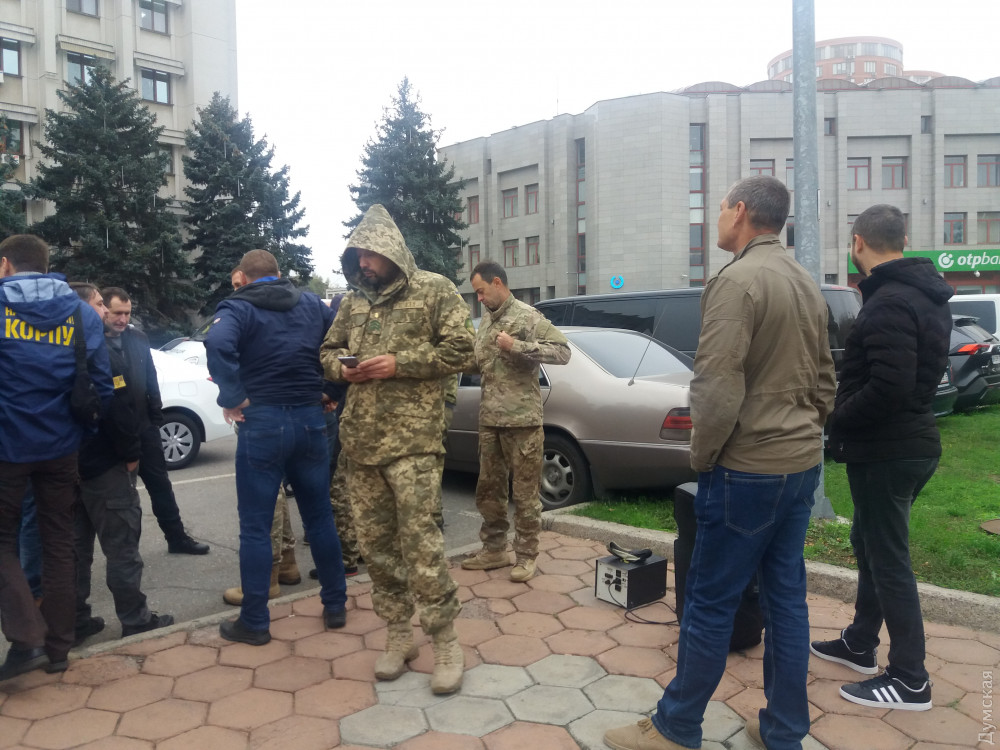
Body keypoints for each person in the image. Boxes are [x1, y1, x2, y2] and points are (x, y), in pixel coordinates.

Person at [604, 176, 836, 750]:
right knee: (786, 600)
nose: (718, 217)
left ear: (741, 211)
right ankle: (785, 729)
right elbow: (826, 377)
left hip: (747, 469)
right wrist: (806, 433)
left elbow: (715, 386)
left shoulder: (737, 281)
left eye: (722, 207)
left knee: (709, 601)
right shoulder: (804, 280)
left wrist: (703, 457)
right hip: (799, 465)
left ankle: (676, 726)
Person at [320, 204, 475, 695]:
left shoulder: (434, 290)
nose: (363, 263)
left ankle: (445, 642)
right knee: (377, 548)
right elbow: (327, 351)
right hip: (361, 443)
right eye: (357, 256)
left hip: (413, 444)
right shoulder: (352, 302)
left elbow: (463, 350)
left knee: (421, 545)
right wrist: (342, 369)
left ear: (392, 252)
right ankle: (398, 635)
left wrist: (399, 363)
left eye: (370, 254)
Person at [811, 204, 951, 712]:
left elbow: (890, 386)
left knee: (889, 559)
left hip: (889, 450)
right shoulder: (923, 295)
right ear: (903, 239)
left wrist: (837, 417)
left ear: (857, 243)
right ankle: (860, 642)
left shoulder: (890, 300)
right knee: (868, 543)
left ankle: (910, 679)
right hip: (907, 444)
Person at [205, 249, 348, 645]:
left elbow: (216, 342)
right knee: (319, 516)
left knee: (255, 526)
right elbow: (343, 343)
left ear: (244, 276)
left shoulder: (237, 307)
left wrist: (232, 397)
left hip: (263, 423)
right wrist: (331, 390)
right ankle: (335, 605)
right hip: (310, 418)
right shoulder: (311, 304)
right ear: (279, 273)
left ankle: (254, 622)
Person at [0, 234, 114, 680]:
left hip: (8, 448)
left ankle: (27, 637)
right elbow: (100, 385)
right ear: (46, 267)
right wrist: (79, 434)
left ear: (5, 265)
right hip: (62, 447)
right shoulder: (80, 312)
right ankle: (59, 647)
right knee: (59, 543)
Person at [70, 283, 174, 643]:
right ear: (84, 309)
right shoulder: (99, 352)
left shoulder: (54, 349)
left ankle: (74, 621)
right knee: (122, 548)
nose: (105, 312)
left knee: (74, 550)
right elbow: (118, 410)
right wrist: (131, 455)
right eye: (100, 305)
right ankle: (135, 619)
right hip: (104, 465)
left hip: (67, 465)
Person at [461, 261, 570, 582]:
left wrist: (518, 346)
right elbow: (482, 363)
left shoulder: (527, 316)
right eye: (476, 293)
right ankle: (494, 549)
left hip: (523, 423)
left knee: (524, 494)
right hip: (490, 421)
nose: (479, 298)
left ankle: (526, 556)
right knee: (489, 490)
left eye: (481, 291)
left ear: (497, 282)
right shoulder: (487, 322)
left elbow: (562, 352)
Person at [101, 288, 209, 556]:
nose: (123, 319)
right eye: (117, 313)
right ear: (104, 310)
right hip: (113, 433)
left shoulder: (137, 337)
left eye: (127, 313)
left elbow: (150, 377)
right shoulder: (93, 343)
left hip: (145, 427)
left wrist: (155, 417)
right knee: (123, 497)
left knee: (161, 487)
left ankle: (177, 538)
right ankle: (127, 553)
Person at [220, 266, 302, 605]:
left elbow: (223, 350)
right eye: (234, 285)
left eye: (239, 283)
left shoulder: (251, 310)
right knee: (278, 491)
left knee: (265, 497)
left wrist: (232, 396)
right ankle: (287, 564)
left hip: (262, 413)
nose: (237, 289)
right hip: (285, 411)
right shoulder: (284, 307)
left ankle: (267, 577)